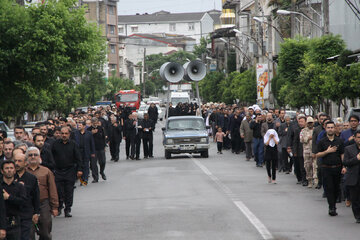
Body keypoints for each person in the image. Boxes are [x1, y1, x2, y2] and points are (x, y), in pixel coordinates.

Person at [26, 147, 59, 239]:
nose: (33, 157)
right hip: (28, 205)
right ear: (26, 157)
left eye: (35, 155)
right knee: (29, 233)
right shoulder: (23, 171)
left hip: (43, 204)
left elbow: (52, 189)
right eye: (30, 155)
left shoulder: (46, 171)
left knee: (45, 232)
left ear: (39, 157)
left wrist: (55, 207)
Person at [51, 126, 83, 218]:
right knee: (58, 190)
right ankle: (60, 206)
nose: (64, 135)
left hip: (70, 171)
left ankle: (68, 209)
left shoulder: (73, 144)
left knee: (69, 191)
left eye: (66, 134)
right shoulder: (55, 144)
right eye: (62, 133)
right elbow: (51, 156)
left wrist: (80, 169)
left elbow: (78, 158)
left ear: (69, 134)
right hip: (58, 171)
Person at [316, 121, 345, 216]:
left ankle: (334, 204)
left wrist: (344, 166)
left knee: (336, 188)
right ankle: (331, 207)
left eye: (332, 127)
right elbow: (317, 154)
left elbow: (342, 154)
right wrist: (327, 151)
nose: (330, 129)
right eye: (328, 127)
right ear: (325, 128)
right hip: (326, 168)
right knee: (329, 188)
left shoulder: (339, 141)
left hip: (337, 167)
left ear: (335, 129)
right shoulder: (322, 141)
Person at [13, 150, 40, 240]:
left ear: (25, 163)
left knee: (26, 237)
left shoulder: (31, 178)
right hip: (12, 213)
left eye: (19, 161)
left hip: (26, 213)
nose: (17, 163)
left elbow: (36, 196)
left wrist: (36, 212)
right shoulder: (9, 178)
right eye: (15, 161)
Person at [1, 160, 27, 240]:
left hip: (14, 222)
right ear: (2, 171)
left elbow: (22, 202)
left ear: (15, 170)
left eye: (11, 168)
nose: (9, 170)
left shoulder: (19, 186)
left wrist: (9, 197)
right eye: (7, 168)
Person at [343, 130, 360, 223]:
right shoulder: (349, 149)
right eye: (358, 137)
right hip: (354, 177)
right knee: (355, 198)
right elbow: (346, 162)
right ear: (354, 138)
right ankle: (357, 215)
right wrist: (356, 159)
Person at [87, 118, 106, 182]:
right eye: (94, 122)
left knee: (102, 161)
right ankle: (95, 177)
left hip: (100, 147)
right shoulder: (88, 130)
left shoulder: (101, 128)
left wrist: (104, 146)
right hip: (93, 149)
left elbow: (103, 137)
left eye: (96, 122)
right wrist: (91, 133)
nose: (95, 123)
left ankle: (102, 171)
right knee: (93, 164)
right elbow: (87, 139)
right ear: (92, 123)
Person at [300, 117, 316, 188]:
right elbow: (301, 139)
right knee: (307, 166)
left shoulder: (316, 130)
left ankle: (316, 181)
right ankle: (309, 180)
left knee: (315, 166)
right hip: (307, 151)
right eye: (308, 123)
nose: (310, 124)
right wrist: (308, 138)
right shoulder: (303, 131)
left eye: (311, 123)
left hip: (315, 151)